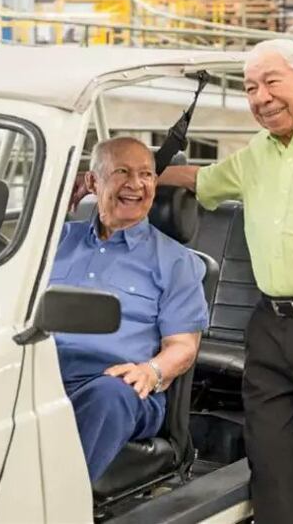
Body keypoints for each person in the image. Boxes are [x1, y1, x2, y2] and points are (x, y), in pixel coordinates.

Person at [72, 40, 293, 523]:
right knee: (274, 470)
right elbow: (199, 179)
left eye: (271, 82)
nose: (260, 97)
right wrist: (106, 176)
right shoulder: (258, 153)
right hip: (272, 325)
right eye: (250, 87)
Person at [51, 136, 209, 483]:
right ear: (93, 182)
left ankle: (50, 506)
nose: (135, 185)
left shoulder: (176, 262)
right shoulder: (56, 241)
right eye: (121, 172)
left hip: (118, 386)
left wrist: (151, 371)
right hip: (42, 377)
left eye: (146, 175)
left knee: (109, 395)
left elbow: (182, 347)